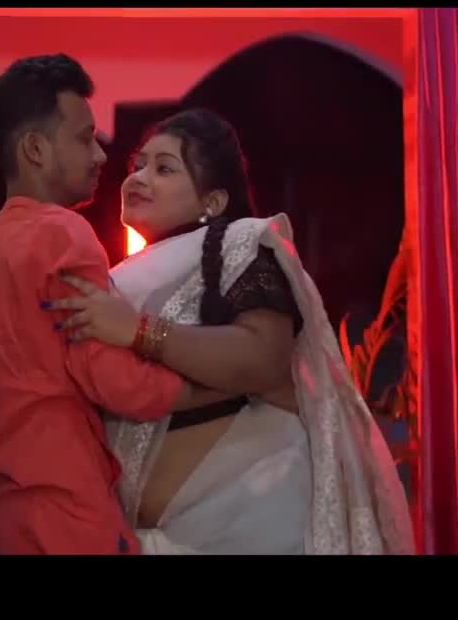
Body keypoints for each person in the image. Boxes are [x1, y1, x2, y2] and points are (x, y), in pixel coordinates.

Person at [45, 108, 416, 554]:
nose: (138, 178)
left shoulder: (242, 246)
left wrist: (138, 331)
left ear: (213, 202)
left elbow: (263, 358)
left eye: (164, 168)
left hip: (255, 518)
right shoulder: (123, 277)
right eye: (138, 165)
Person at [0, 55, 232, 555]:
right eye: (84, 139)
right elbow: (116, 380)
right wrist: (217, 385)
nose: (101, 155)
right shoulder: (61, 234)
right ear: (35, 149)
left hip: (6, 516)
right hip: (68, 511)